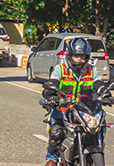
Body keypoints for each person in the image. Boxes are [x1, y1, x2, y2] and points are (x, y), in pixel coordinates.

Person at [42, 37, 102, 166]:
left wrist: (107, 95)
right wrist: (52, 96)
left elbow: (99, 85)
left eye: (82, 56)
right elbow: (51, 84)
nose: (80, 59)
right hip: (63, 110)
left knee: (99, 127)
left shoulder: (92, 70)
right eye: (76, 55)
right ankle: (51, 159)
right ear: (70, 55)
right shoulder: (60, 69)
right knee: (56, 132)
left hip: (85, 111)